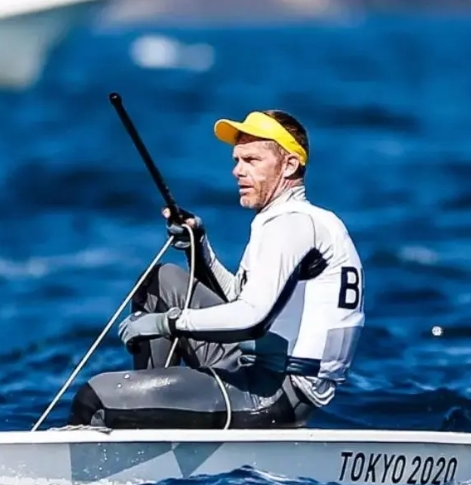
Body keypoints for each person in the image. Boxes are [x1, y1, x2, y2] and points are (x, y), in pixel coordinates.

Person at [68, 109, 365, 430]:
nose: (238, 171)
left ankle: (132, 421)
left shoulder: (290, 224)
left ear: (290, 165)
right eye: (237, 160)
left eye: (252, 160)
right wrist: (201, 246)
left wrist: (168, 323)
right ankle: (147, 413)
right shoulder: (303, 221)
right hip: (256, 368)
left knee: (95, 397)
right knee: (160, 281)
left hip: (274, 393)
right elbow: (240, 300)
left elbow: (251, 318)